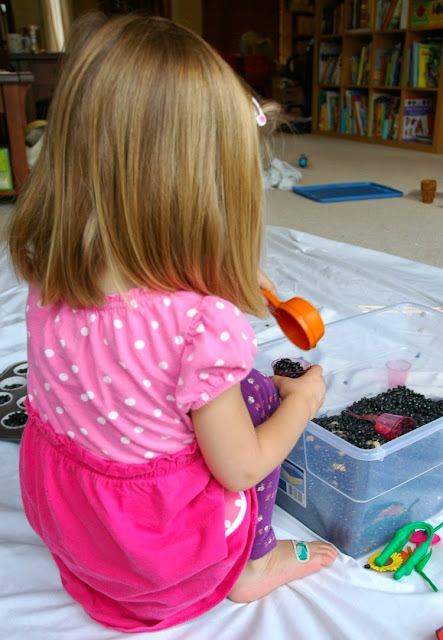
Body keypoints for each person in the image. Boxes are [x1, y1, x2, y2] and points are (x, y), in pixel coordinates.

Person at [8, 12, 337, 633]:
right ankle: (252, 565)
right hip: (163, 561)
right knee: (264, 391)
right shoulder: (203, 325)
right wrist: (307, 399)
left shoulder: (47, 269)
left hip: (80, 534)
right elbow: (241, 468)